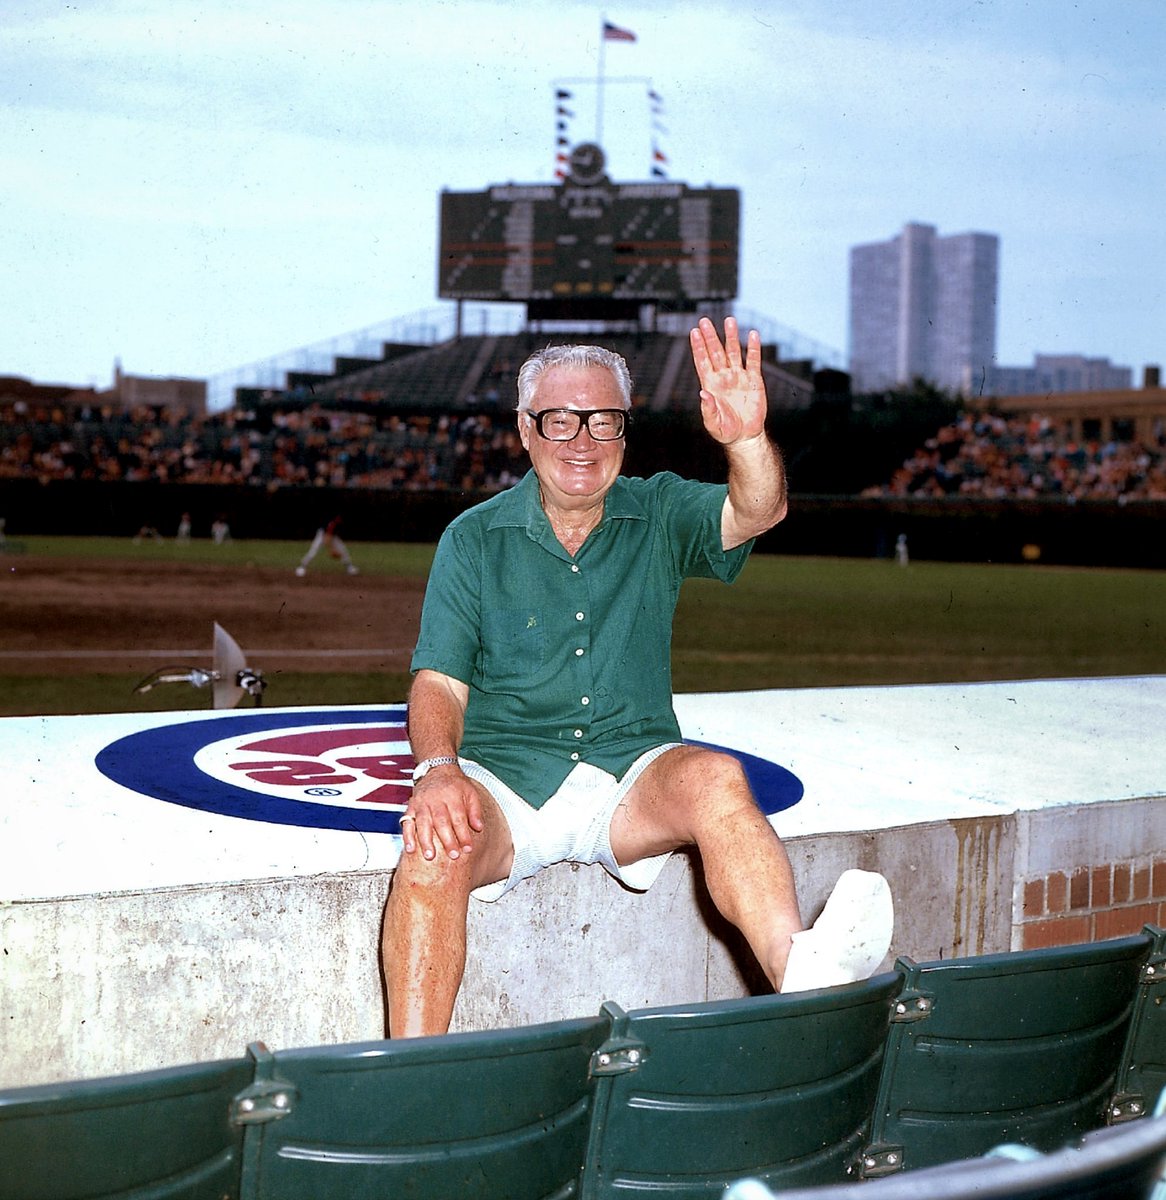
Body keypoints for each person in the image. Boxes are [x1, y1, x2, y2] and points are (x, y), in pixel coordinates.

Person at [382, 317, 892, 1038]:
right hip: (507, 779)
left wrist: (746, 438)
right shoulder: (473, 536)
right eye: (560, 421)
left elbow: (760, 508)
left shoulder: (656, 509)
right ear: (525, 431)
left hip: (631, 776)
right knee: (431, 847)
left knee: (717, 779)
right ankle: (414, 1074)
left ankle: (799, 974)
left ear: (626, 432)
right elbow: (439, 683)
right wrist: (438, 769)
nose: (583, 441)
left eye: (603, 421)